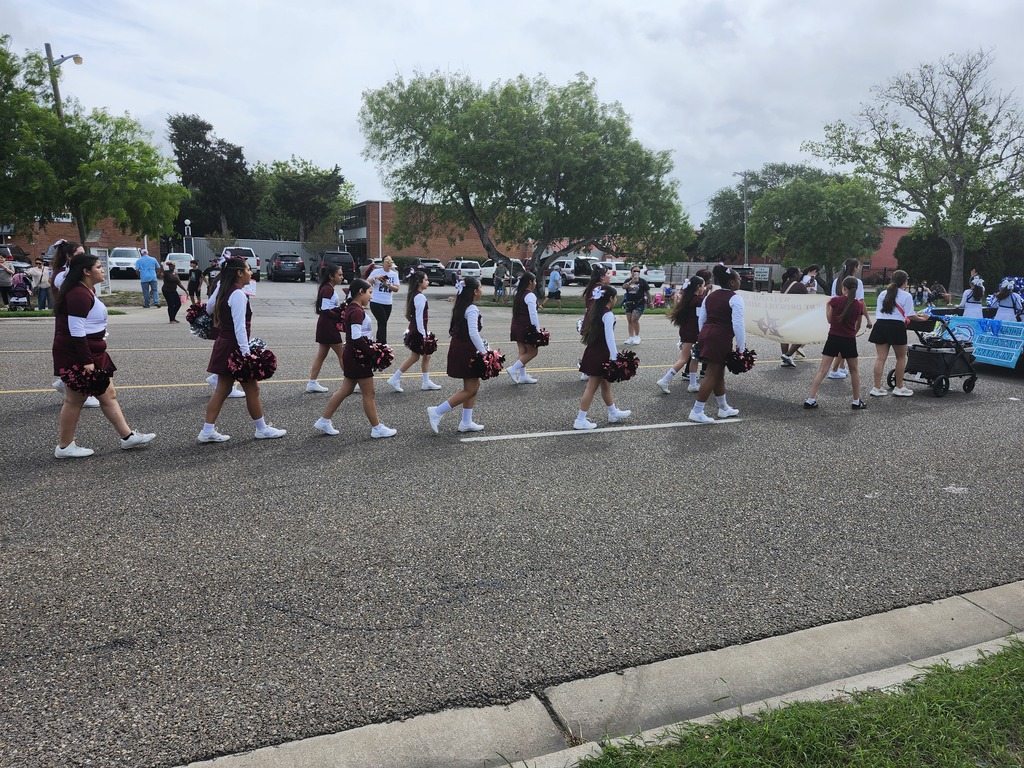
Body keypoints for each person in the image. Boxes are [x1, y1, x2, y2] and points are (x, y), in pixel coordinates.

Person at [51, 254, 156, 457]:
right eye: (99, 267)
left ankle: (127, 437)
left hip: (93, 351)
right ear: (86, 271)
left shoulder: (85, 290)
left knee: (108, 394)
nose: (102, 270)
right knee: (74, 400)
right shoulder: (78, 294)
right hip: (81, 354)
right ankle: (64, 447)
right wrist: (86, 361)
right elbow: (76, 330)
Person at [198, 258, 286, 443]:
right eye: (247, 269)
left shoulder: (224, 289)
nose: (250, 273)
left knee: (222, 390)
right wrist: (247, 356)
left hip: (224, 343)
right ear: (239, 273)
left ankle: (207, 431)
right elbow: (240, 328)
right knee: (252, 389)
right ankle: (261, 429)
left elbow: (209, 308)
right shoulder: (237, 294)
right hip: (234, 346)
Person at [314, 278, 397, 439]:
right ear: (361, 292)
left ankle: (324, 420)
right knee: (369, 393)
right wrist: (373, 352)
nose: (371, 297)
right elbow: (357, 337)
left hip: (352, 354)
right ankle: (377, 428)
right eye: (370, 293)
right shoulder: (356, 311)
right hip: (357, 356)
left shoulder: (353, 308)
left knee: (346, 389)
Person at [427, 277, 490, 433]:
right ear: (475, 292)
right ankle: (437, 411)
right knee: (470, 389)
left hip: (461, 348)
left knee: (473, 386)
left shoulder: (462, 306)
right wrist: (484, 353)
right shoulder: (472, 309)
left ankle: (466, 422)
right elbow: (474, 334)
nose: (482, 290)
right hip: (467, 352)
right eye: (480, 287)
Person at [688, 264, 745, 424]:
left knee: (718, 373)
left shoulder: (709, 296)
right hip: (720, 337)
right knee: (712, 374)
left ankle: (723, 407)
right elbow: (738, 325)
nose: (740, 280)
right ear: (732, 282)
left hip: (706, 334)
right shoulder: (736, 298)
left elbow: (702, 319)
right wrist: (742, 348)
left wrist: (702, 337)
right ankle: (697, 411)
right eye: (738, 278)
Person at [804, 276, 868, 410]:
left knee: (822, 370)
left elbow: (829, 320)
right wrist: (852, 333)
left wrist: (828, 306)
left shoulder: (835, 301)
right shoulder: (859, 305)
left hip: (833, 337)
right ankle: (856, 401)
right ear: (856, 289)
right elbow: (858, 325)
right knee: (854, 371)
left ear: (843, 288)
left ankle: (811, 399)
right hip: (849, 339)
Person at [574, 284, 632, 429]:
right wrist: (614, 357)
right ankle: (580, 419)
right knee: (591, 387)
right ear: (610, 298)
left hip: (593, 350)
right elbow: (609, 337)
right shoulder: (607, 314)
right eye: (615, 297)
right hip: (601, 353)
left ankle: (612, 413)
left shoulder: (595, 311)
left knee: (605, 384)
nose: (616, 299)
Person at [868, 269, 929, 398]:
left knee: (880, 358)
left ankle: (876, 387)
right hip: (896, 326)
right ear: (904, 281)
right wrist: (924, 318)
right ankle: (899, 386)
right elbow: (911, 316)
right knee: (901, 358)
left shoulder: (883, 293)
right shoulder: (906, 296)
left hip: (880, 325)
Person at [387, 270, 442, 392]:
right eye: (426, 280)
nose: (428, 282)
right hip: (418, 331)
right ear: (419, 282)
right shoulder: (420, 296)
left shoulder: (416, 295)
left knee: (425, 355)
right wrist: (424, 335)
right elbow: (419, 317)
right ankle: (395, 378)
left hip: (417, 329)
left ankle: (425, 382)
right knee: (415, 357)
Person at [657, 275, 706, 394]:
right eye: (703, 285)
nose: (704, 288)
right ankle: (664, 380)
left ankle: (693, 384)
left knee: (694, 357)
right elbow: (700, 319)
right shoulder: (698, 300)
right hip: (693, 332)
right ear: (699, 286)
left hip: (686, 330)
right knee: (684, 358)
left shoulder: (687, 298)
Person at [827, 258, 872, 379]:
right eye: (858, 266)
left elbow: (832, 299)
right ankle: (835, 368)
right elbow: (861, 302)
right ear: (854, 268)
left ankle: (841, 367)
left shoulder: (837, 281)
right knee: (846, 341)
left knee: (839, 340)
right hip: (852, 314)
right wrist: (868, 318)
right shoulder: (857, 282)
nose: (859, 269)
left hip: (837, 314)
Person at [306, 264, 346, 393]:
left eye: (342, 274)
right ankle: (352, 381)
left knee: (321, 355)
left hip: (325, 325)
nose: (341, 277)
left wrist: (340, 309)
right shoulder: (328, 289)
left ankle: (312, 383)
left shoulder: (327, 288)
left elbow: (328, 308)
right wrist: (339, 316)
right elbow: (325, 309)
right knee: (342, 355)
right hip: (328, 326)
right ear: (331, 276)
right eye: (339, 275)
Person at [507, 272, 543, 384]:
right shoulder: (530, 295)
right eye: (535, 281)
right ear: (530, 282)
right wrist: (537, 330)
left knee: (522, 351)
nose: (536, 283)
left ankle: (522, 376)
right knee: (533, 352)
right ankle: (513, 369)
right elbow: (533, 314)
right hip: (526, 327)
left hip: (516, 325)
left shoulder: (520, 294)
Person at [778, 266, 807, 367]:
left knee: (784, 337)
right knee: (803, 337)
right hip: (796, 315)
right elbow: (808, 300)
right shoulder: (800, 286)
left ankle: (785, 358)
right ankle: (788, 355)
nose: (801, 274)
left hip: (784, 314)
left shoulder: (784, 285)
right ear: (795, 275)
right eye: (799, 272)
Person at [367, 255, 400, 343]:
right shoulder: (376, 271)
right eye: (387, 261)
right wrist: (375, 278)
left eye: (390, 261)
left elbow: (396, 289)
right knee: (382, 322)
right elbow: (367, 282)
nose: (389, 263)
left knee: (382, 323)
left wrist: (388, 284)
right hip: (376, 302)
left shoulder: (394, 274)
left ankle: (379, 343)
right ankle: (383, 343)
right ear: (382, 263)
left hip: (388, 303)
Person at [621, 266, 651, 345]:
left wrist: (650, 302)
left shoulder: (642, 281)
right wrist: (631, 281)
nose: (636, 272)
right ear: (631, 272)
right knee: (629, 320)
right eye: (634, 271)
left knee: (634, 319)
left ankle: (637, 336)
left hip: (639, 303)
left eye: (638, 271)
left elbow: (647, 292)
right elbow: (623, 287)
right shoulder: (628, 281)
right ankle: (631, 337)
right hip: (629, 303)